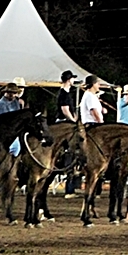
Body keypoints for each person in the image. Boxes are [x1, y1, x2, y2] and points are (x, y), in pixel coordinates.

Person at [56, 70, 79, 199]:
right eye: (72, 79)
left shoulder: (66, 93)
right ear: (69, 80)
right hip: (64, 122)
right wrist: (73, 120)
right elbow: (65, 110)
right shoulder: (64, 94)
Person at [0, 83, 23, 156]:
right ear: (6, 93)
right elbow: (3, 121)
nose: (12, 95)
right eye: (10, 92)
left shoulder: (15, 102)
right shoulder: (1, 104)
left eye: (14, 93)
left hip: (14, 131)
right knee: (13, 148)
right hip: (5, 131)